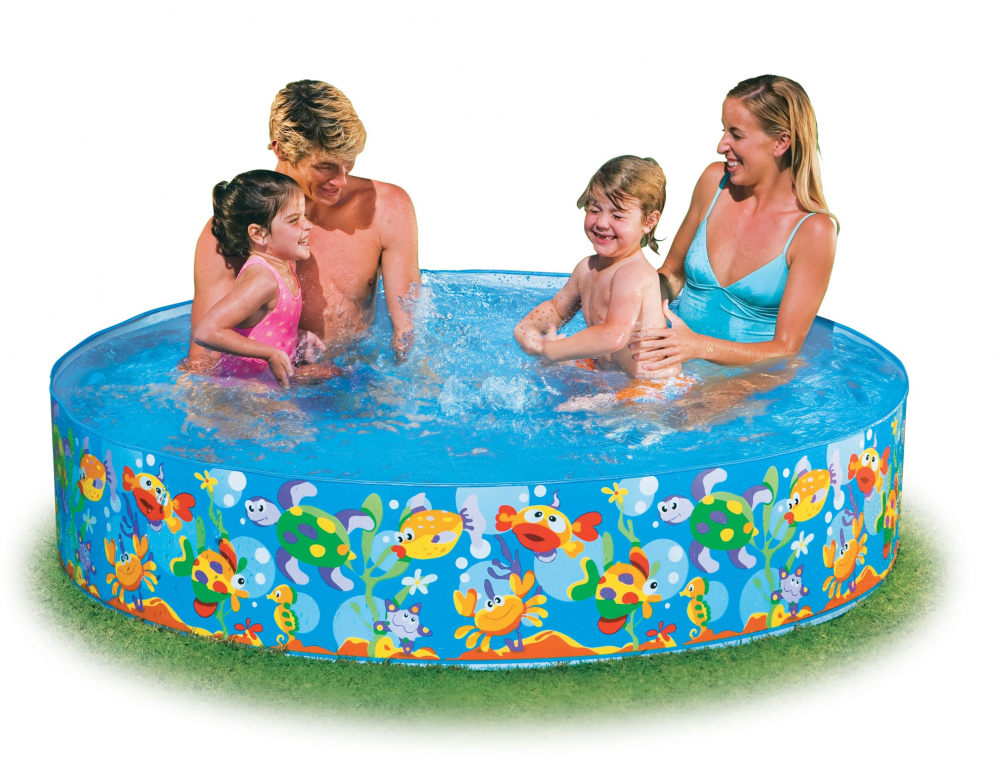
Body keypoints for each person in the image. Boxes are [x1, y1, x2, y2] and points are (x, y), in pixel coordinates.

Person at [187, 80, 420, 370]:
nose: (341, 181)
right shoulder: (237, 227)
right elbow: (203, 361)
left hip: (356, 376)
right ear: (281, 150)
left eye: (349, 162)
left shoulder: (386, 209)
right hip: (273, 388)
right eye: (325, 166)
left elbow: (409, 336)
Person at [629, 75, 838, 372]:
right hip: (678, 361)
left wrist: (697, 346)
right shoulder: (714, 184)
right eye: (724, 130)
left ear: (781, 142)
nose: (721, 145)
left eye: (736, 135)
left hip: (747, 382)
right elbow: (673, 273)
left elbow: (785, 349)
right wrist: (630, 300)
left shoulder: (813, 231)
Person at [514, 156, 680, 381]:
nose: (601, 223)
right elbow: (556, 309)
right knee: (538, 369)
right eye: (594, 210)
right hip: (613, 374)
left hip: (654, 386)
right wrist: (528, 328)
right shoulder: (586, 269)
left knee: (570, 395)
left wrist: (556, 349)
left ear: (648, 222)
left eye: (617, 215)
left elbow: (613, 335)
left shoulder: (634, 273)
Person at [192, 170, 311, 387]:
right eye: (294, 220)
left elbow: (266, 324)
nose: (308, 225)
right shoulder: (263, 279)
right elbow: (206, 332)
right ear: (259, 234)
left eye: (304, 215)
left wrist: (300, 335)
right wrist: (270, 354)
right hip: (246, 388)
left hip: (267, 382)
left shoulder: (285, 264)